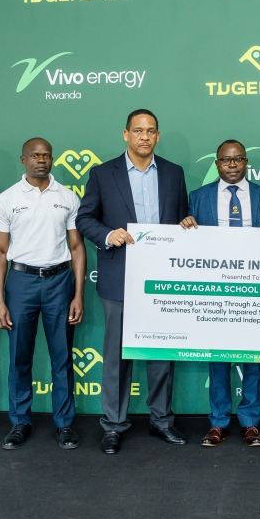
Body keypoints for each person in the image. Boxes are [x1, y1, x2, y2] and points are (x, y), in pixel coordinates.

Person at [76, 109, 189, 455]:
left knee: (161, 351)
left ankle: (162, 421)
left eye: (150, 131)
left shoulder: (173, 173)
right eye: (138, 130)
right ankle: (113, 425)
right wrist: (108, 234)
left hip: (163, 279)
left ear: (157, 136)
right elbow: (84, 218)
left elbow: (181, 218)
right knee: (116, 356)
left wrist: (186, 225)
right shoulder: (102, 173)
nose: (144, 136)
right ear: (126, 134)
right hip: (119, 277)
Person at [180, 139, 260, 447]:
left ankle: (250, 422)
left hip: (255, 289)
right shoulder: (198, 197)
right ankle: (218, 422)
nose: (232, 164)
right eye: (225, 160)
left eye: (238, 159)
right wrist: (185, 225)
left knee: (254, 356)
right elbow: (189, 244)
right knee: (218, 357)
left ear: (245, 162)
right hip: (215, 290)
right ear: (216, 163)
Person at [0, 138, 86, 451]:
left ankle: (64, 424)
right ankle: (20, 421)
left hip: (60, 282)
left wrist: (78, 294)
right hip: (21, 282)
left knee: (62, 356)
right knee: (19, 356)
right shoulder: (6, 199)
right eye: (34, 155)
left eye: (46, 155)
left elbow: (76, 247)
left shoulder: (67, 197)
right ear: (23, 160)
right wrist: (0, 300)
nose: (41, 160)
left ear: (52, 159)